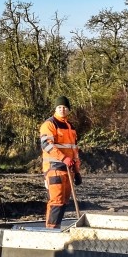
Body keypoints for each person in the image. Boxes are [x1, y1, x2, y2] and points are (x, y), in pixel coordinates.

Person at [40, 97, 82, 229]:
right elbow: (46, 145)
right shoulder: (50, 124)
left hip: (68, 169)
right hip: (54, 168)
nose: (62, 110)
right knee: (56, 200)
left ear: (68, 110)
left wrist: (77, 170)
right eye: (59, 107)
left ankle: (56, 227)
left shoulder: (71, 127)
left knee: (64, 201)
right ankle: (51, 230)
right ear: (55, 109)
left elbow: (74, 149)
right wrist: (63, 158)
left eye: (65, 107)